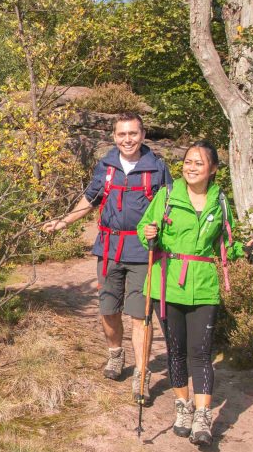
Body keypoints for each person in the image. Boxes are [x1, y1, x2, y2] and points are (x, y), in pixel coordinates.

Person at [136, 141, 253, 447]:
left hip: (203, 285)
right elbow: (144, 229)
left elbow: (226, 245)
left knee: (201, 353)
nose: (191, 167)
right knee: (176, 350)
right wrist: (148, 233)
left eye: (199, 163)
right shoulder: (166, 196)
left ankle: (203, 416)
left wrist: (246, 249)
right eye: (188, 162)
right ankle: (183, 407)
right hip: (166, 282)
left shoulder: (221, 203)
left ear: (213, 169)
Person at [42, 113, 172, 396]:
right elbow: (90, 199)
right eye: (122, 134)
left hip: (144, 253)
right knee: (108, 310)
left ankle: (141, 374)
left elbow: (170, 209)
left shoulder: (158, 169)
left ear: (143, 134)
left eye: (133, 134)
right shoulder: (107, 166)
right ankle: (115, 353)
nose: (128, 139)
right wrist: (63, 222)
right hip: (110, 249)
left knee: (141, 316)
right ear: (114, 137)